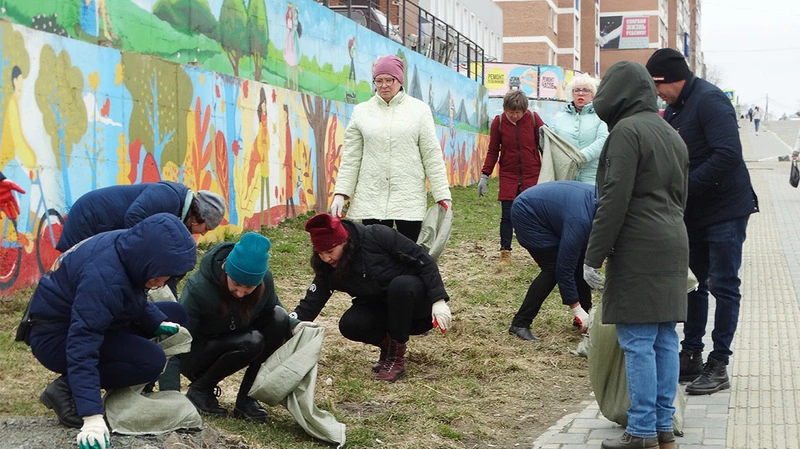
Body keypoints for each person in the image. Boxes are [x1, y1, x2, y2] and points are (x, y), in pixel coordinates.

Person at [583, 60, 689, 449]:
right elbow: (682, 198)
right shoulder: (670, 132)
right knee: (664, 339)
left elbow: (613, 200)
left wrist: (593, 255)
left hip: (638, 247)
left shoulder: (627, 132)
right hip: (673, 242)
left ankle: (641, 431)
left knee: (638, 342)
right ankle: (662, 429)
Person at [25, 213, 197, 449]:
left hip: (83, 320)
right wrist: (92, 417)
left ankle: (91, 379)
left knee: (174, 314)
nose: (163, 282)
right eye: (161, 273)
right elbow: (82, 343)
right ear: (147, 260)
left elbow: (129, 293)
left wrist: (154, 321)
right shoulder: (102, 279)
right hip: (56, 338)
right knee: (150, 362)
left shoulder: (128, 246)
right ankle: (65, 390)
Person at [646, 48, 758, 395]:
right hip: (694, 211)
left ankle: (719, 363)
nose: (656, 94)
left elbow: (727, 155)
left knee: (724, 285)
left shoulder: (711, 101)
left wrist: (682, 187)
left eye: (656, 86)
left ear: (667, 79)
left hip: (726, 209)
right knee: (694, 284)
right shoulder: (673, 109)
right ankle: (691, 353)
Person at [292, 213, 452, 383]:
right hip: (383, 308)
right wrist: (290, 325)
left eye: (330, 251)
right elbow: (313, 300)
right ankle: (390, 348)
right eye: (320, 253)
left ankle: (396, 360)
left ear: (345, 242)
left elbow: (424, 261)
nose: (326, 258)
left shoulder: (377, 236)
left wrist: (438, 300)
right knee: (350, 324)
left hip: (415, 307)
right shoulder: (328, 267)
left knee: (400, 285)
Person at [177, 232, 315, 421]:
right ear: (226, 270)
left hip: (235, 340)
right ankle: (200, 390)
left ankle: (248, 399)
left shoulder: (265, 281)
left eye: (249, 288)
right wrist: (169, 392)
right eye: (236, 284)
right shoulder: (199, 287)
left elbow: (274, 308)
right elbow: (178, 339)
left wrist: (296, 326)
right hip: (197, 353)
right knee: (252, 341)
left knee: (279, 319)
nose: (240, 293)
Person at [330, 55, 452, 242]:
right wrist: (341, 193)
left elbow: (431, 155)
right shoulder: (361, 112)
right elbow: (351, 157)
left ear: (400, 80)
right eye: (379, 80)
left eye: (389, 80)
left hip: (408, 196)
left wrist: (442, 194)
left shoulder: (419, 110)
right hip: (372, 195)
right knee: (375, 253)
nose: (384, 85)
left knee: (409, 253)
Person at [507, 181, 594, 341]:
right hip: (527, 213)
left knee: (580, 263)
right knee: (553, 268)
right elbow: (564, 269)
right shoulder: (581, 221)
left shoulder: (603, 207)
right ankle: (520, 323)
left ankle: (586, 319)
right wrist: (576, 308)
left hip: (551, 211)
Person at [57, 182, 226, 252]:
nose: (203, 234)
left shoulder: (179, 207)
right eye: (206, 228)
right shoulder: (170, 196)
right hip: (89, 218)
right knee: (71, 274)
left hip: (101, 225)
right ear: (198, 217)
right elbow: (134, 216)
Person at [477, 89, 545, 265]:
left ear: (524, 111)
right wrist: (485, 175)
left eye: (518, 113)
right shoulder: (498, 123)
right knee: (507, 215)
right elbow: (493, 150)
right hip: (508, 174)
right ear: (504, 109)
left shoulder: (533, 120)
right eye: (510, 112)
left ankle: (540, 251)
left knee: (533, 215)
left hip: (532, 174)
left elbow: (546, 145)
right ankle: (505, 251)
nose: (514, 116)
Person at [550, 73, 609, 185]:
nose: (581, 93)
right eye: (576, 90)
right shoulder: (559, 118)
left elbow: (603, 141)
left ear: (593, 94)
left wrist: (580, 157)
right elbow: (552, 143)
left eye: (586, 90)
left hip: (592, 180)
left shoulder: (601, 116)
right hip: (565, 178)